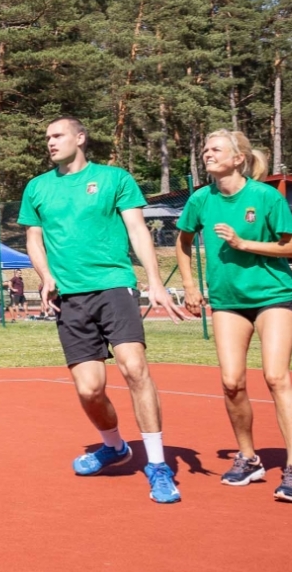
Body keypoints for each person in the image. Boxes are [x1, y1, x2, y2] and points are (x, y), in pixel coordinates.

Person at [20, 116, 187, 505]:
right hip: (70, 297)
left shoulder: (115, 179)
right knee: (90, 388)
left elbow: (137, 230)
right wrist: (45, 277)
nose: (50, 142)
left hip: (114, 285)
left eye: (58, 135)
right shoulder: (38, 188)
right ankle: (114, 447)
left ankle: (158, 465)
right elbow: (34, 239)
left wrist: (155, 281)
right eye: (47, 137)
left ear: (80, 138)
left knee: (133, 367)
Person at [175, 130, 292, 503]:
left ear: (238, 159)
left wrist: (243, 243)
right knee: (232, 382)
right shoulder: (201, 199)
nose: (207, 154)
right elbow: (182, 242)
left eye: (215, 149)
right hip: (227, 301)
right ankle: (249, 458)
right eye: (204, 149)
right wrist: (189, 285)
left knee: (275, 376)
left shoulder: (265, 196)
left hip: (273, 296)